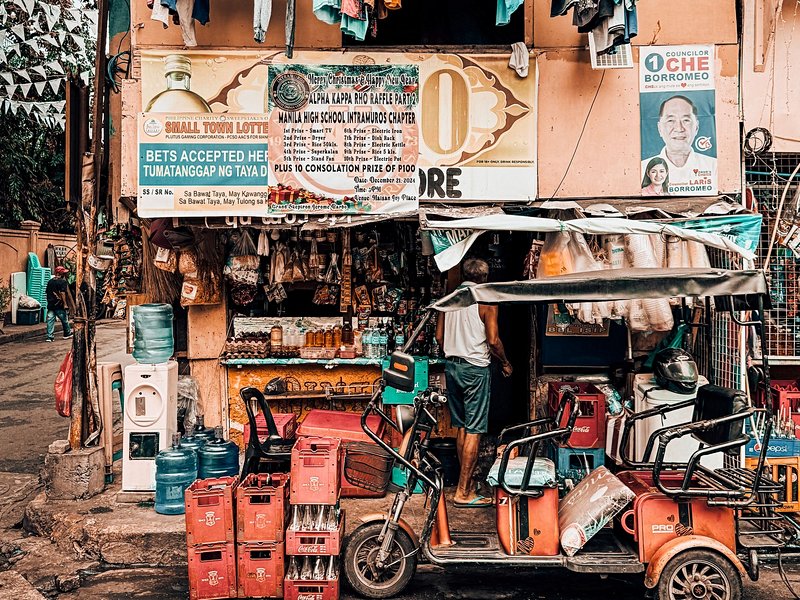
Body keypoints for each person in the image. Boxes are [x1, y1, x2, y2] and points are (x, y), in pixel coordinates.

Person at [435, 257, 512, 508]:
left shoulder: (450, 298)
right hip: (475, 369)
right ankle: (463, 491)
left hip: (452, 367)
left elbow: (439, 337)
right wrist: (505, 362)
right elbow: (493, 340)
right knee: (474, 429)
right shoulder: (486, 300)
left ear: (464, 275)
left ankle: (464, 483)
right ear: (485, 278)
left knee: (461, 427)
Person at [641, 95, 715, 192]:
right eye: (670, 120)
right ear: (660, 129)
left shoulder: (713, 166)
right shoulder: (642, 168)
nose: (679, 128)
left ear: (696, 127)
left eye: (686, 120)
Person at [45, 266, 74, 342]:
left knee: (50, 320)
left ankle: (50, 337)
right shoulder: (62, 282)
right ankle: (67, 333)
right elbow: (62, 293)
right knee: (64, 320)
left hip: (51, 304)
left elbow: (47, 292)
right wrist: (65, 304)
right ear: (61, 274)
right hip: (59, 304)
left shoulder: (50, 281)